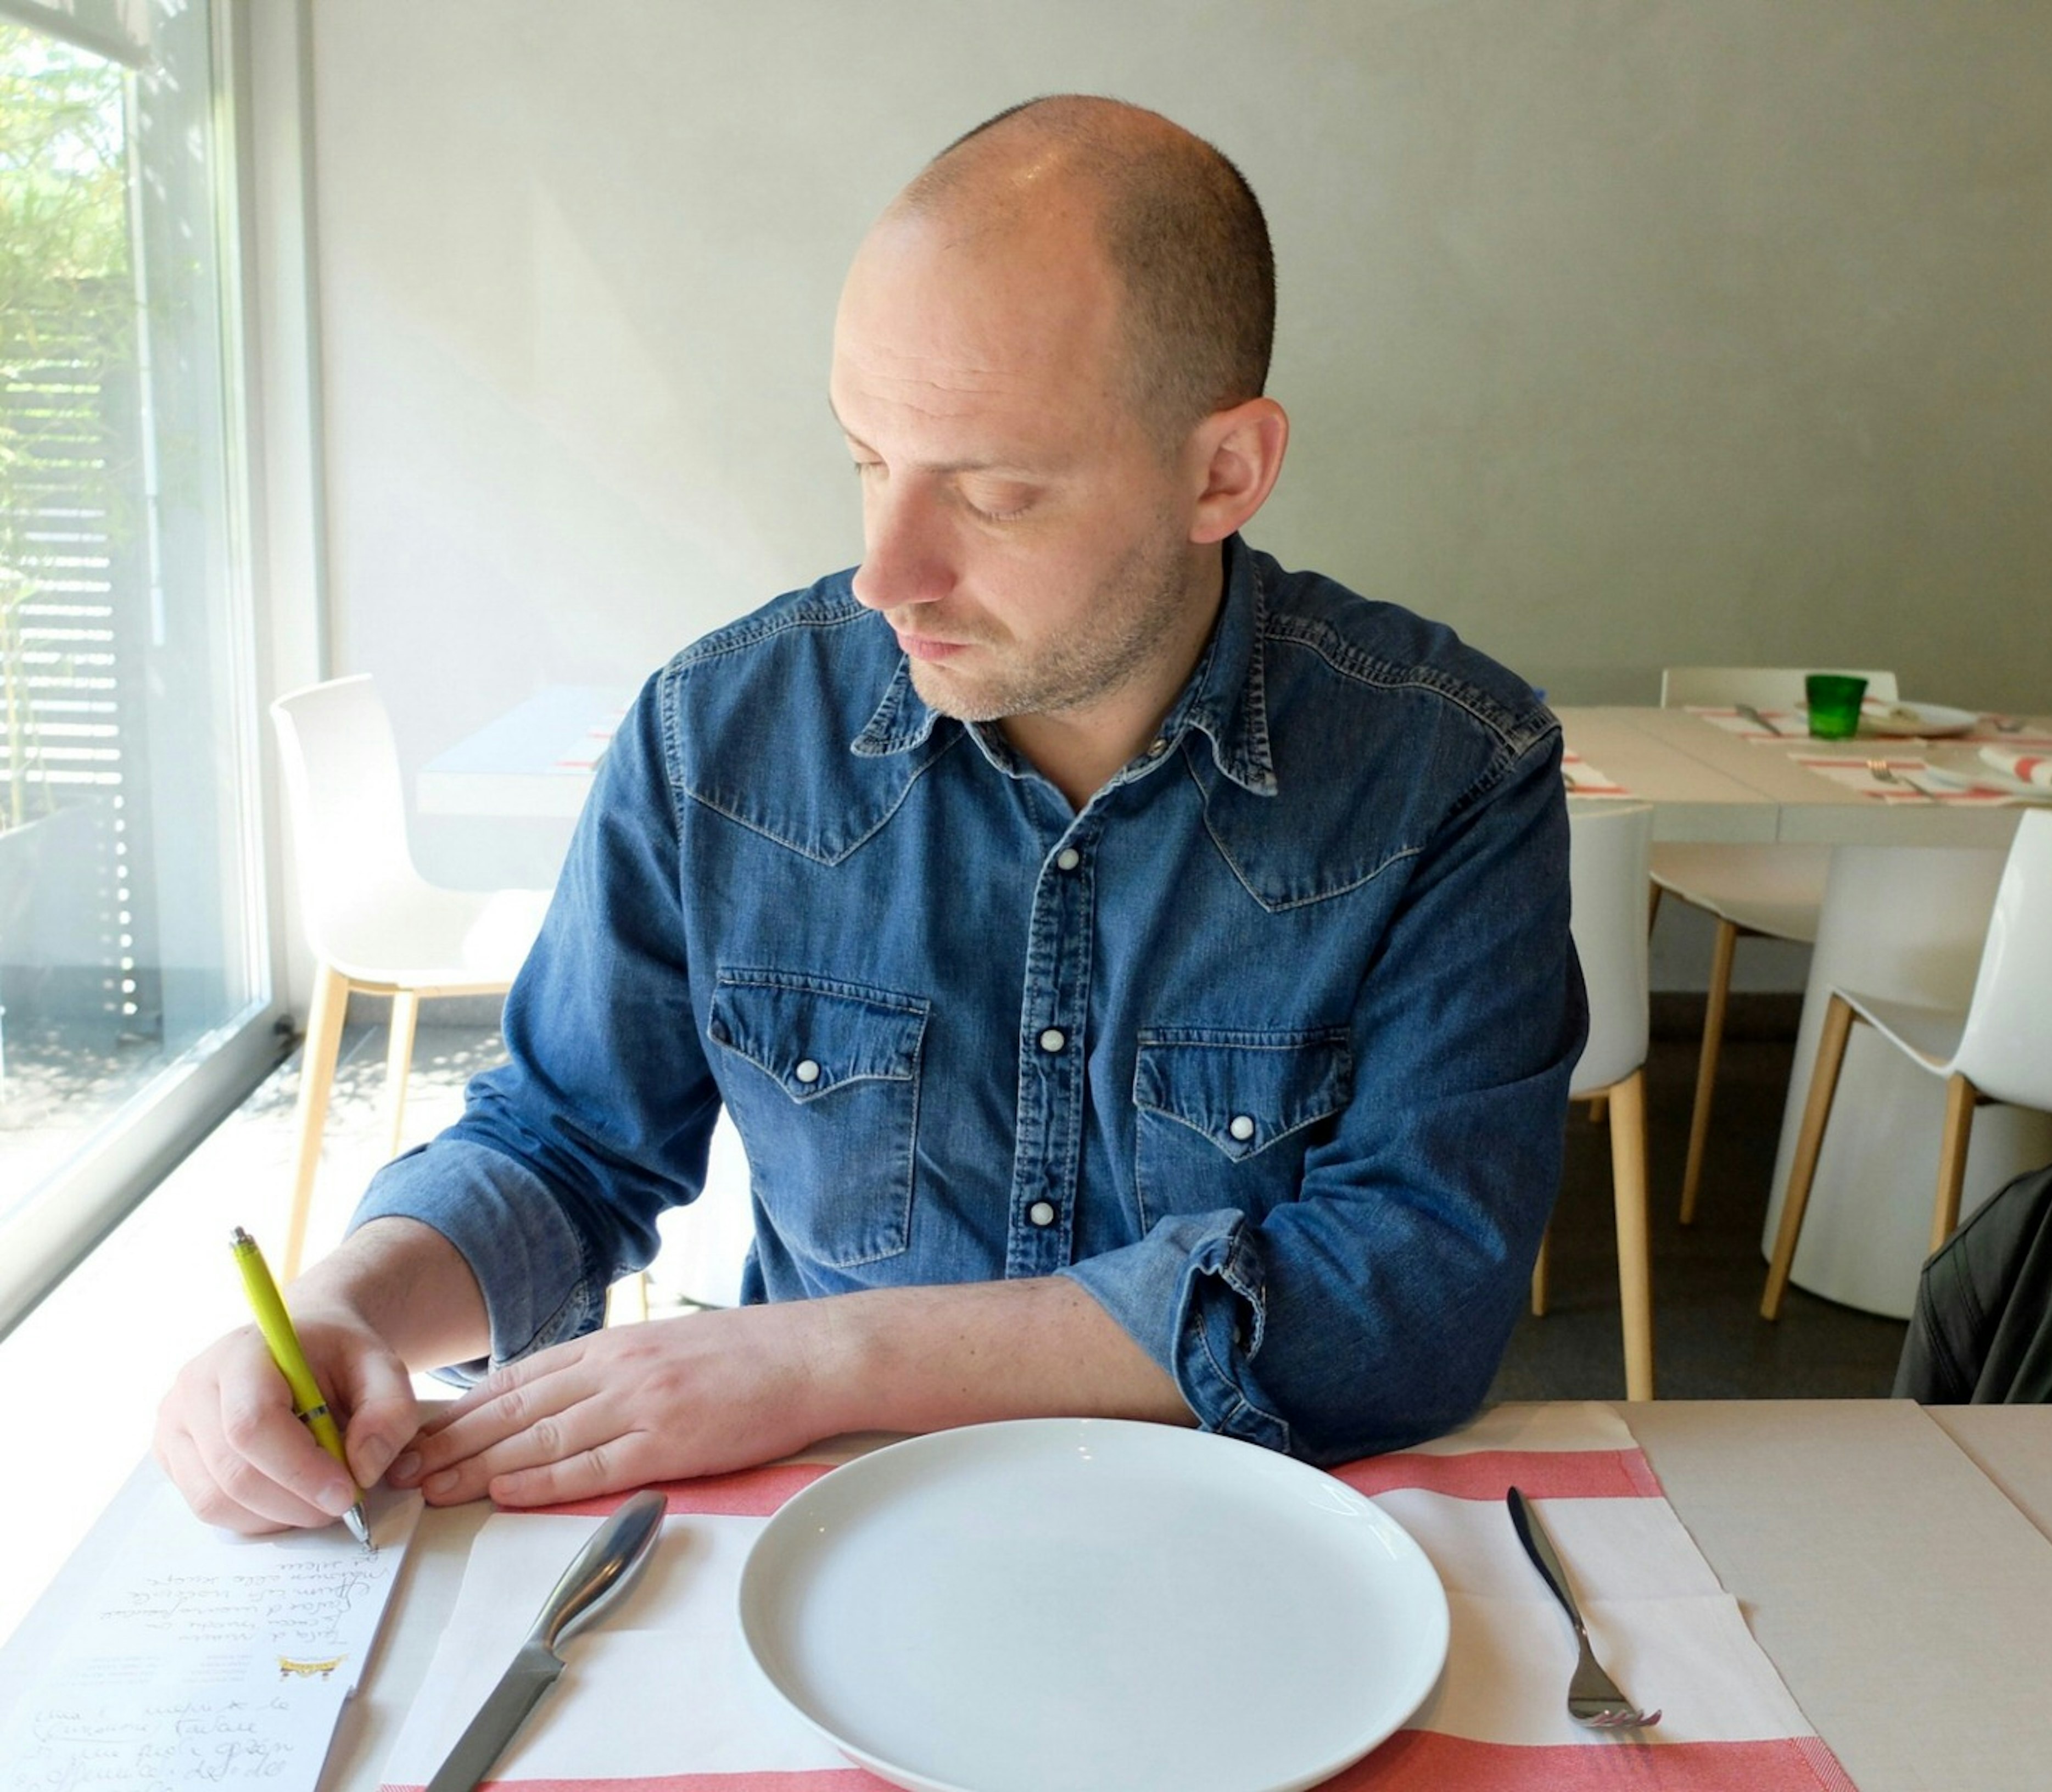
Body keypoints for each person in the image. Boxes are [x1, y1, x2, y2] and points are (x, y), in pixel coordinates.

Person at [156, 95, 1585, 1534]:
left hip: (1253, 1550)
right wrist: (355, 1304)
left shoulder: (1446, 769)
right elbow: (561, 1143)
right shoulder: (716, 738)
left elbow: (1413, 1287)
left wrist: (822, 1360)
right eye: (867, 462)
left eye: (994, 492)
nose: (885, 574)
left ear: (1223, 471)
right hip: (831, 1556)